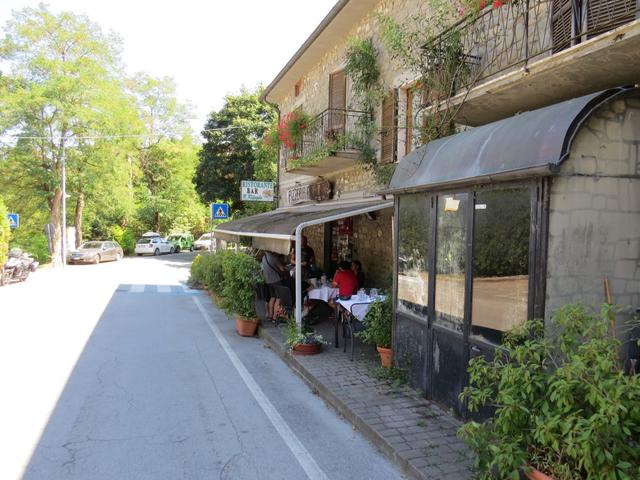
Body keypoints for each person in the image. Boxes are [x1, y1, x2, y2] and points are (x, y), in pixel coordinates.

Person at [261, 251, 286, 322]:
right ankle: (274, 317)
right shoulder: (274, 258)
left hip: (268, 281)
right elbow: (282, 269)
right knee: (278, 298)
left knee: (272, 297)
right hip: (276, 280)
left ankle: (270, 315)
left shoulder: (264, 258)